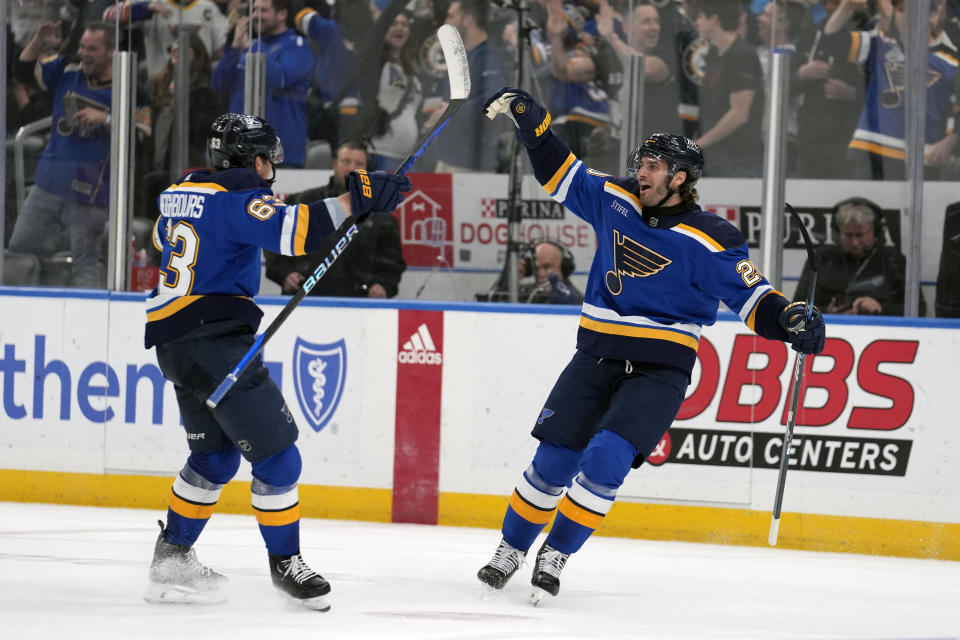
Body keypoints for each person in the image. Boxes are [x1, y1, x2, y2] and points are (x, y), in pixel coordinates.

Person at [476, 86, 826, 601]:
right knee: (553, 461)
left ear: (681, 179)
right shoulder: (614, 199)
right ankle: (511, 548)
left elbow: (756, 299)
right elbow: (560, 172)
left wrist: (792, 317)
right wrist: (534, 126)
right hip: (595, 354)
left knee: (604, 461)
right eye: (642, 162)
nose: (642, 171)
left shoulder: (713, 238)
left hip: (660, 370)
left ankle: (558, 552)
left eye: (656, 166)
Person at [143, 113, 411, 609]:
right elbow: (297, 233)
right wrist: (356, 199)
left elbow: (162, 241)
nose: (271, 171)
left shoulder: (184, 190)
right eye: (268, 159)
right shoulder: (239, 197)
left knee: (215, 456)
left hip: (175, 341)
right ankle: (286, 564)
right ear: (254, 159)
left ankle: (172, 557)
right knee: (279, 456)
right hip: (216, 339)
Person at [8, 20, 152, 288]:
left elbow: (142, 133)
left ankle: (94, 325)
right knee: (20, 245)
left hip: (90, 191)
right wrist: (38, 40)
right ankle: (83, 238)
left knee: (85, 263)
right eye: (83, 46)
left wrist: (106, 118)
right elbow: (21, 72)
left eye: (92, 49)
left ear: (111, 52)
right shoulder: (69, 67)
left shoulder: (131, 86)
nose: (84, 53)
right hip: (49, 182)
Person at [820, 0, 959, 180]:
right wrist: (847, 5)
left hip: (923, 159)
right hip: (872, 151)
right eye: (900, 11)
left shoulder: (951, 63)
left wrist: (948, 143)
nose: (904, 16)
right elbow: (832, 41)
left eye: (912, 11)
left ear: (931, 16)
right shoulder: (879, 44)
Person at [263, 140, 406, 297]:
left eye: (358, 163)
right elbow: (274, 243)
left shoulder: (381, 218)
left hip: (361, 307)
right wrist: (285, 275)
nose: (351, 168)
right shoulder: (302, 202)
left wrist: (384, 286)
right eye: (346, 161)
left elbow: (393, 265)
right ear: (335, 164)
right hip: (303, 304)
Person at [211, 0, 313, 167]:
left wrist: (250, 49)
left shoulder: (297, 46)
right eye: (254, 11)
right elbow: (219, 85)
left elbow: (280, 80)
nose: (256, 16)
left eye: (263, 11)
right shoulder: (248, 46)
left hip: (280, 151)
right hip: (240, 151)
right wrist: (234, 50)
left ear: (282, 15)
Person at [794, 196, 924, 316]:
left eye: (860, 235)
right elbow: (797, 308)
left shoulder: (893, 260)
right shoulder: (821, 259)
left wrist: (880, 308)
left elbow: (919, 309)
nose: (855, 242)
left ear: (875, 232)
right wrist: (825, 312)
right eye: (849, 235)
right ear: (837, 234)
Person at [424, 0, 510, 172]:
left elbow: (494, 103)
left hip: (473, 166)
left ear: (468, 20)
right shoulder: (462, 57)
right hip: (448, 158)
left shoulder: (488, 57)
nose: (445, 23)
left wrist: (450, 112)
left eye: (451, 16)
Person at [688, 0, 764, 177]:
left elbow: (739, 114)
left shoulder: (742, 55)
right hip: (714, 154)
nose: (697, 23)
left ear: (714, 19)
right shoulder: (713, 53)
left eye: (700, 17)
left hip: (739, 159)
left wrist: (699, 144)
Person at [102, 0, 228, 78]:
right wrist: (146, 8)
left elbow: (220, 51)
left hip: (199, 86)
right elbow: (108, 16)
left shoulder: (208, 7)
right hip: (160, 87)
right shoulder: (152, 3)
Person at [524, 240, 584, 304]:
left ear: (563, 268)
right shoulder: (529, 295)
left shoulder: (577, 301)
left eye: (547, 267)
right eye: (537, 268)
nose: (541, 274)